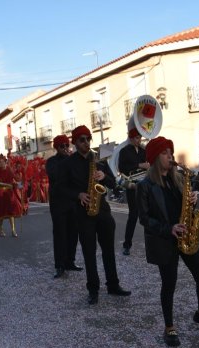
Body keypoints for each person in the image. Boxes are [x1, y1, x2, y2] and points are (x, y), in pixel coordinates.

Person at [136, 136, 199, 347]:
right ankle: (169, 327)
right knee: (169, 284)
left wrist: (195, 199)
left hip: (188, 234)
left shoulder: (178, 178)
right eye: (165, 153)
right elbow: (144, 219)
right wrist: (169, 228)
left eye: (170, 153)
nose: (170, 157)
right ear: (156, 158)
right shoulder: (145, 185)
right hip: (165, 240)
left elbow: (190, 207)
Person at [59, 125, 131, 305]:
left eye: (88, 139)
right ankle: (93, 289)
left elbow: (114, 184)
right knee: (89, 253)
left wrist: (103, 177)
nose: (86, 142)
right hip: (83, 214)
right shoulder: (67, 163)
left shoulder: (98, 161)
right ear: (75, 142)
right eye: (82, 139)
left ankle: (113, 285)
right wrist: (78, 194)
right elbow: (60, 188)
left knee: (108, 251)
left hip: (103, 212)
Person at [46, 135, 81, 279]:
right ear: (56, 148)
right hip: (58, 203)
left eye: (67, 145)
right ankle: (59, 265)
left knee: (73, 233)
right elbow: (55, 176)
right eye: (62, 146)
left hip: (72, 202)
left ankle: (70, 261)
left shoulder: (72, 160)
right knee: (60, 234)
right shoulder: (51, 162)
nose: (66, 148)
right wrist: (69, 160)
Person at [118, 127, 149, 255]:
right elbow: (122, 168)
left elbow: (149, 165)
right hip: (132, 185)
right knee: (133, 215)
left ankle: (151, 243)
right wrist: (139, 165)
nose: (139, 140)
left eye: (140, 137)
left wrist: (148, 165)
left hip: (144, 184)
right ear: (131, 138)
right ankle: (127, 245)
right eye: (136, 138)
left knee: (148, 214)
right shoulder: (124, 151)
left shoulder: (143, 150)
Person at [0, 154, 22, 237]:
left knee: (11, 212)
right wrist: (7, 185)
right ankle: (0, 229)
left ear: (5, 162)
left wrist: (19, 184)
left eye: (3, 162)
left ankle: (13, 230)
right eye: (0, 162)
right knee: (1, 213)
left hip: (9, 194)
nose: (1, 163)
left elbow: (13, 179)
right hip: (1, 194)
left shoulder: (10, 170)